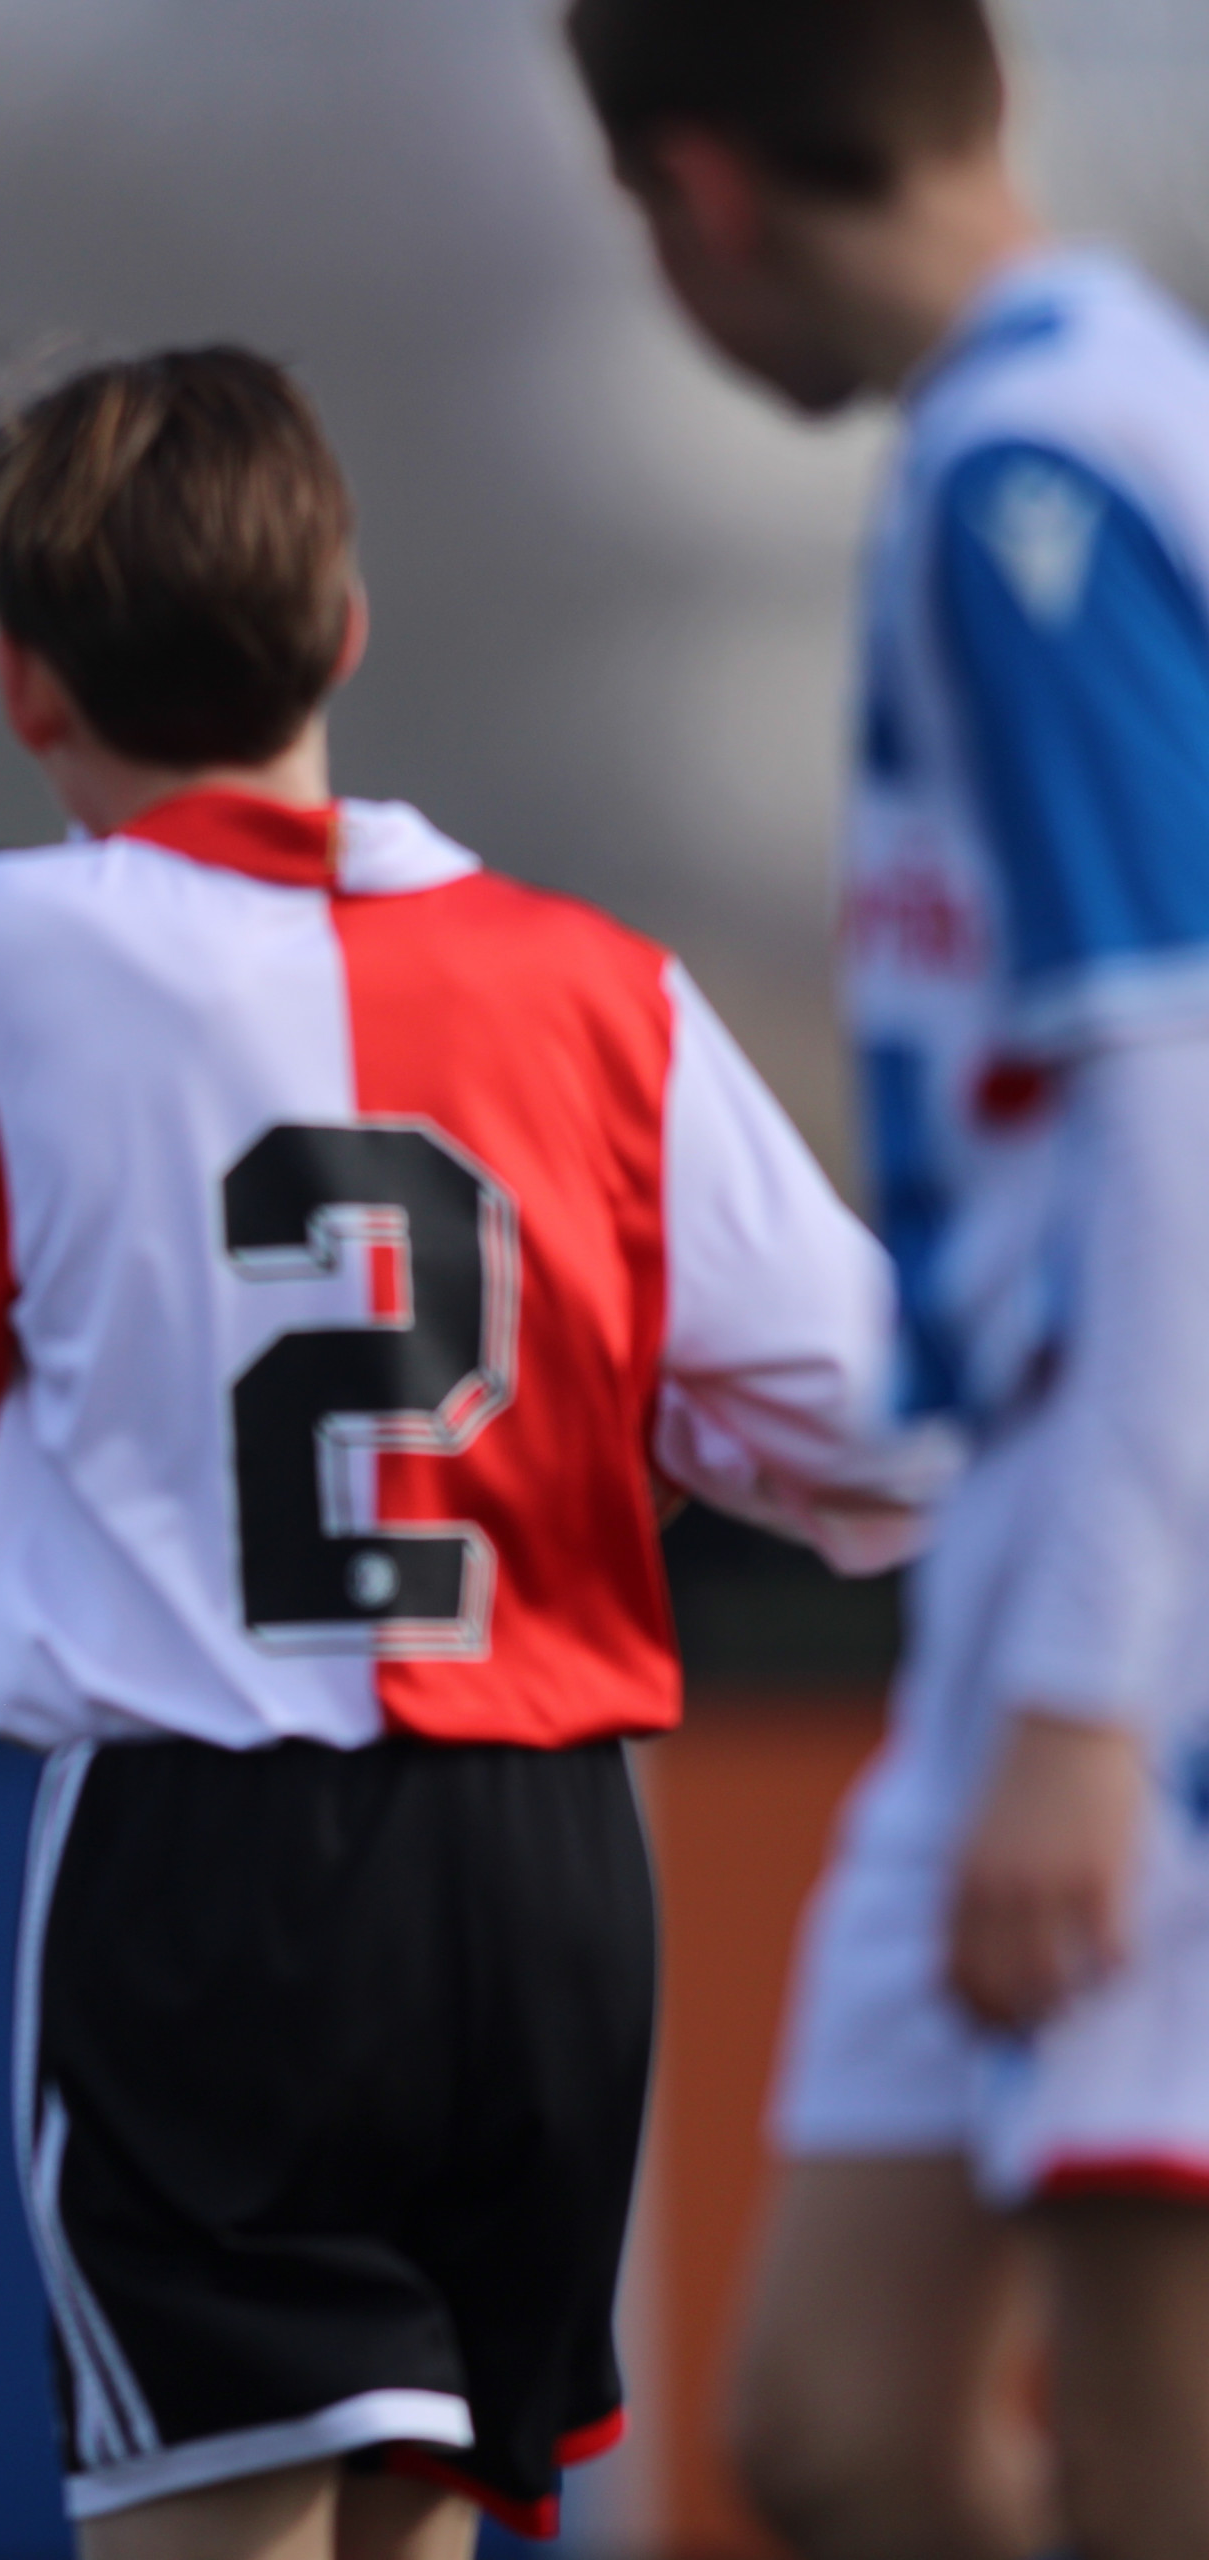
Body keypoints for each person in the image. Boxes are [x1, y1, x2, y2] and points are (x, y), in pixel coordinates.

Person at [0, 347, 938, 2560]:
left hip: (208, 1853)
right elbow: (884, 1416)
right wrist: (629, 1444)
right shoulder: (595, 980)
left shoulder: (0, 951)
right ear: (343, 627)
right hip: (547, 1863)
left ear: (25, 681)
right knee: (413, 2508)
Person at [567, 5, 1209, 2553]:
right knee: (838, 2419)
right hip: (1032, 1605)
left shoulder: (1038, 475)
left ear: (703, 197)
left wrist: (1082, 1692)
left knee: (1153, 2444)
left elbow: (1172, 1107)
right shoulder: (1054, 422)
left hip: (1137, 1625)